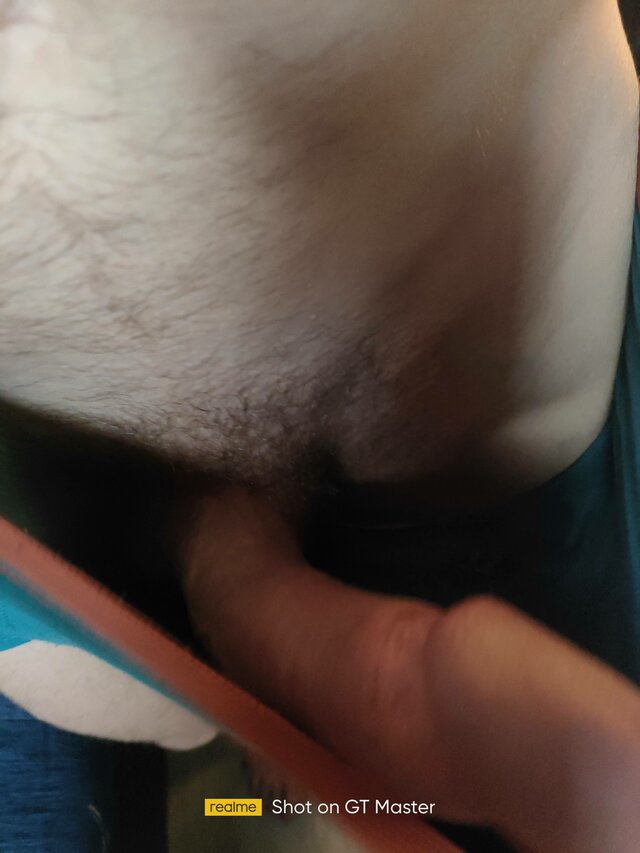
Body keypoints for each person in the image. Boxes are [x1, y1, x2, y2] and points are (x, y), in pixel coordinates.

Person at [1, 0, 640, 850]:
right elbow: (399, 692)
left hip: (98, 522)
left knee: (191, 746)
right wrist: (230, 583)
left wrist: (230, 591)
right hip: (439, 557)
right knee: (250, 758)